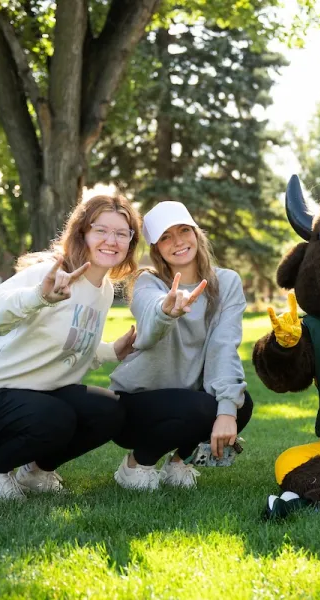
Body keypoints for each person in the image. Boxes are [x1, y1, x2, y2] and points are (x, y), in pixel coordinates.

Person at [0, 195, 143, 500]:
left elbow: (69, 349)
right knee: (57, 417)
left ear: (130, 242)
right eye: (101, 230)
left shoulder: (102, 291)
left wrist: (111, 352)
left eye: (121, 233)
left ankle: (35, 472)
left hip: (34, 398)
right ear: (82, 233)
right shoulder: (51, 272)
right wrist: (39, 296)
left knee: (110, 411)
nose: (111, 240)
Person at [109, 201, 253, 491]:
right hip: (137, 403)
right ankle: (136, 465)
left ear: (197, 234)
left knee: (240, 404)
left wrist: (227, 410)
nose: (178, 242)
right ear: (156, 249)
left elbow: (224, 346)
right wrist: (167, 311)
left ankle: (178, 464)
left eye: (184, 230)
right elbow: (147, 332)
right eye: (165, 237)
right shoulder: (147, 283)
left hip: (188, 398)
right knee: (201, 408)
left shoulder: (226, 282)